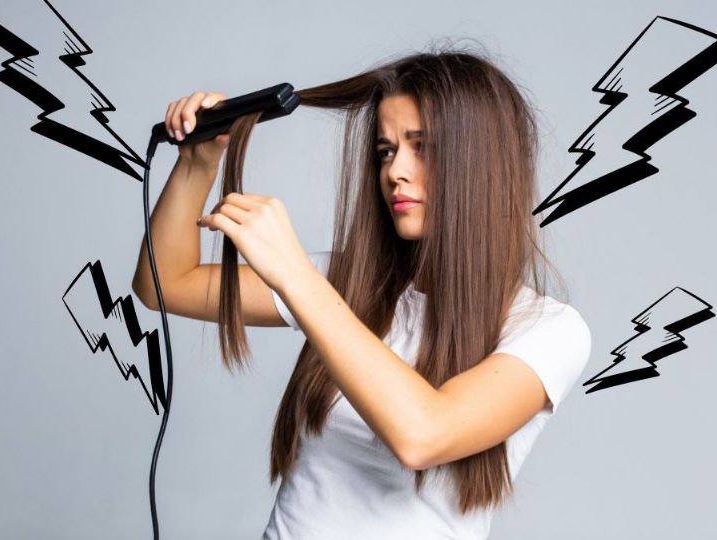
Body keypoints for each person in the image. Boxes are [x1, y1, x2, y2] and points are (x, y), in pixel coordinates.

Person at [132, 45, 592, 539]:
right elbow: (164, 284)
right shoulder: (348, 285)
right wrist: (198, 164)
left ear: (482, 165)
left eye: (424, 147)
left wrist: (296, 275)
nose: (396, 170)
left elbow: (423, 435)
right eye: (386, 150)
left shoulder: (548, 330)